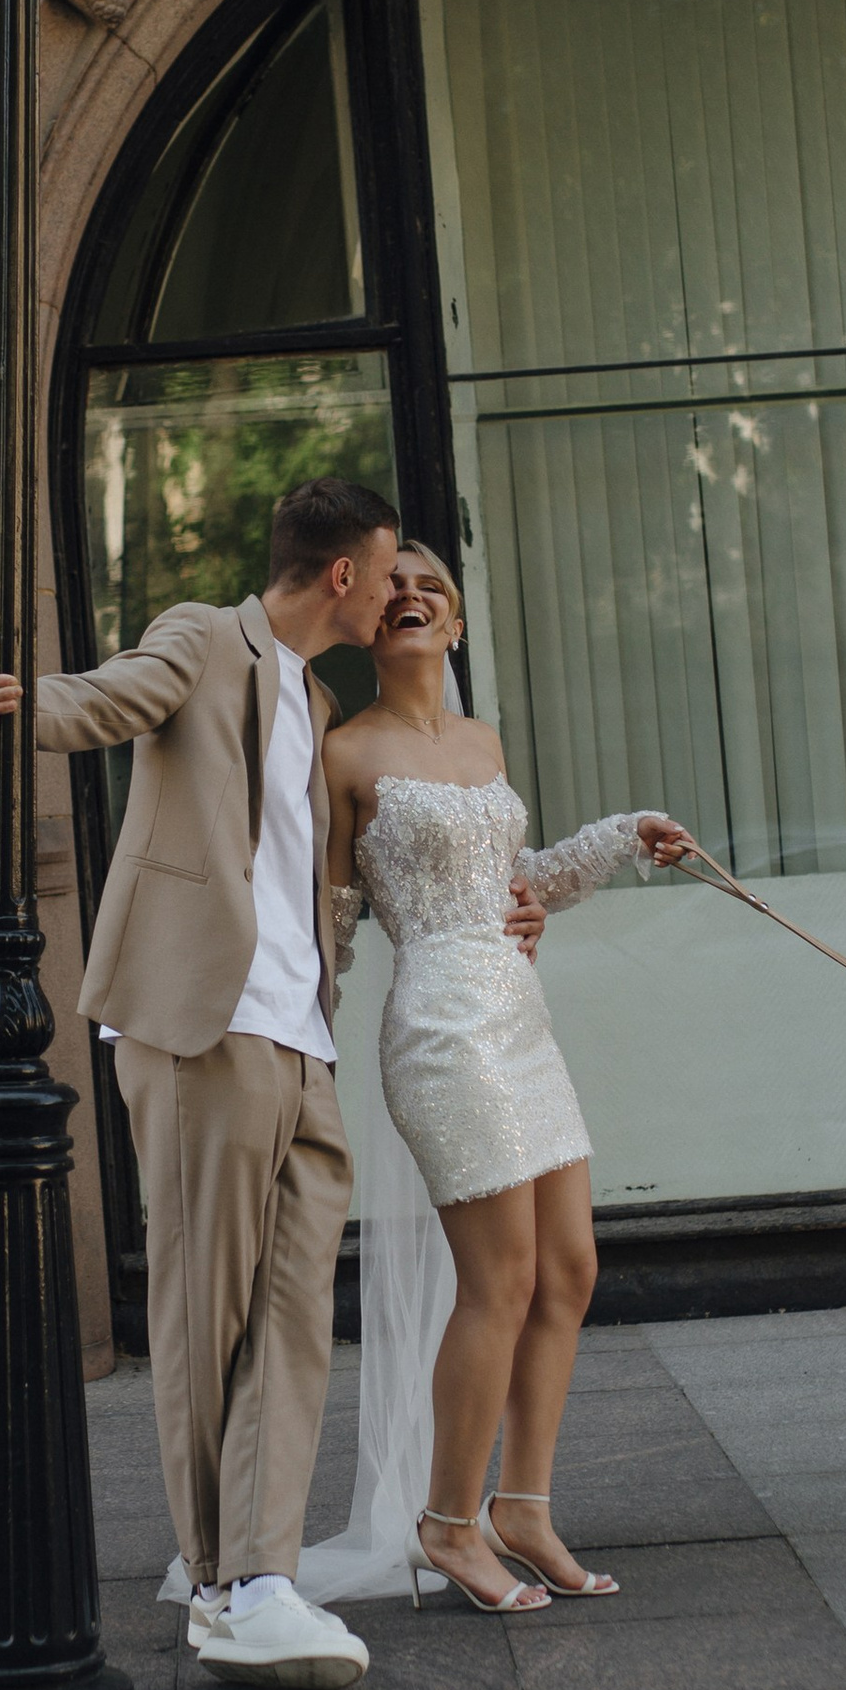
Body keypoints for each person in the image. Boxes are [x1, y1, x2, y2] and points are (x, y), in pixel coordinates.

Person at [0, 478, 541, 1690]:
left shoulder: (315, 699)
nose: (397, 592)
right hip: (201, 1021)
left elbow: (343, 865)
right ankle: (222, 1577)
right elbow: (110, 697)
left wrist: (500, 903)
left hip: (297, 1034)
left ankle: (261, 1577)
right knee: (202, 1306)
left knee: (289, 1316)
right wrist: (6, 704)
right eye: (386, 574)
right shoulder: (205, 637)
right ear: (341, 576)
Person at [323, 545, 693, 1615]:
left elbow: (513, 885)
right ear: (366, 620)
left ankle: (520, 1504)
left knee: (569, 1267)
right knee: (503, 1279)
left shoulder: (482, 742)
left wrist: (628, 835)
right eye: (389, 585)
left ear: (458, 625)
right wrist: (298, 1036)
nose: (408, 595)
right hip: (440, 1028)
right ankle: (447, 1521)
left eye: (428, 584)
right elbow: (332, 916)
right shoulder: (343, 753)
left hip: (519, 1020)